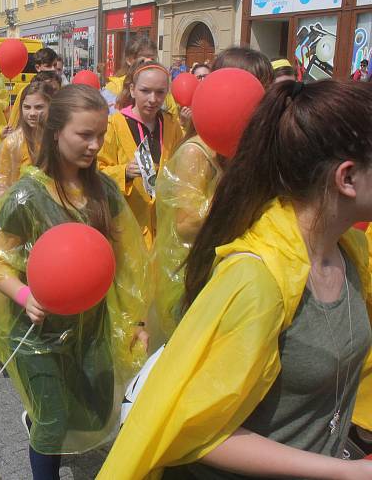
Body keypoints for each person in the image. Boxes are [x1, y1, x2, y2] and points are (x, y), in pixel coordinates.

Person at [99, 79, 372, 480]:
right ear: (346, 179)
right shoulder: (256, 279)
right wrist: (344, 472)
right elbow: (193, 425)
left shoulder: (351, 249)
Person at [0, 85, 149, 480]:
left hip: (90, 328)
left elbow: (127, 261)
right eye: (85, 134)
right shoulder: (27, 196)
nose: (95, 145)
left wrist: (137, 321)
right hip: (35, 332)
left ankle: (42, 417)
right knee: (54, 422)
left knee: (95, 414)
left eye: (100, 134)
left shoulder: (104, 192)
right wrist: (25, 295)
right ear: (57, 131)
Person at [151, 47, 273, 346]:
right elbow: (186, 224)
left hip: (223, 274)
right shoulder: (197, 151)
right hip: (190, 278)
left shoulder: (236, 149)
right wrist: (249, 208)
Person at [97, 60, 184, 247]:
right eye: (145, 91)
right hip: (128, 230)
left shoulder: (171, 124)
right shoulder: (114, 125)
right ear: (132, 89)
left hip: (163, 230)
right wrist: (124, 173)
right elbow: (95, 172)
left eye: (160, 92)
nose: (153, 99)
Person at [0, 81, 56, 202]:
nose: (32, 113)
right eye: (27, 107)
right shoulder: (13, 143)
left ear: (50, 106)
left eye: (39, 107)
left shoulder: (58, 139)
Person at [104, 38, 179, 121]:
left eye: (152, 60)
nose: (148, 64)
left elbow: (174, 119)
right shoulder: (114, 87)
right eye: (142, 60)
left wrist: (182, 123)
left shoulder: (161, 87)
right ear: (129, 60)